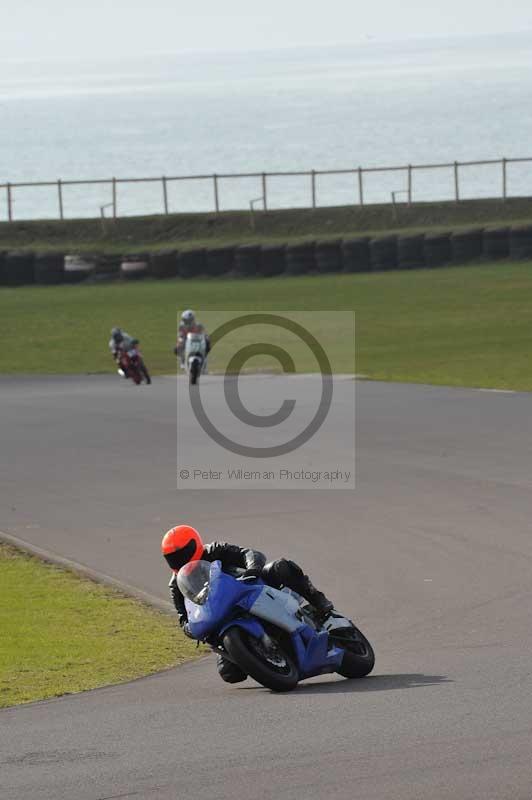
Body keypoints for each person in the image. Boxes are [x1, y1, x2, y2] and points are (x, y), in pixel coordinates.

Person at [161, 524, 334, 684]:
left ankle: (318, 600)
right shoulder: (176, 584)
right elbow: (183, 617)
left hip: (250, 588)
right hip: (220, 614)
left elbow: (250, 554)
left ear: (195, 544)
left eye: (182, 553)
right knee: (229, 673)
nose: (179, 559)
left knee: (281, 567)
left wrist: (252, 569)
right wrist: (190, 628)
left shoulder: (215, 550)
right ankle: (266, 656)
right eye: (173, 557)